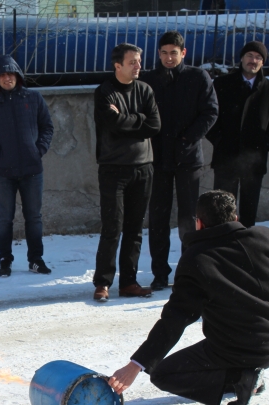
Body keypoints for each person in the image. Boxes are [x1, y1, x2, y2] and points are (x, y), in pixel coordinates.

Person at [107, 190, 269, 405]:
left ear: (199, 223)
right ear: (235, 218)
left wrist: (135, 365)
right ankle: (246, 378)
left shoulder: (198, 259)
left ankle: (241, 377)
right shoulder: (267, 237)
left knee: (163, 374)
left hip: (238, 348)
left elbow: (174, 319)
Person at [140, 31, 218, 291]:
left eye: (174, 52)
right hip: (157, 158)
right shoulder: (148, 79)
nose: (168, 57)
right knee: (158, 218)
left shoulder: (197, 77)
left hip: (188, 158)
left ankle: (189, 272)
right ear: (158, 53)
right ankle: (159, 273)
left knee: (190, 219)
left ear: (183, 53)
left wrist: (188, 139)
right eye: (164, 52)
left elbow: (210, 112)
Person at [92, 43, 161, 302]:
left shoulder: (145, 90)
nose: (138, 66)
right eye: (132, 62)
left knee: (135, 229)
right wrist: (138, 120)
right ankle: (103, 282)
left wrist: (128, 119)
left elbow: (154, 125)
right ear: (117, 65)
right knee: (112, 227)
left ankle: (129, 282)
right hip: (113, 170)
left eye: (139, 61)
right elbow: (112, 123)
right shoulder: (105, 92)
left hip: (143, 167)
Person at [0, 55, 54, 277]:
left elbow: (47, 127)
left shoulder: (33, 98)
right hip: (3, 172)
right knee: (4, 218)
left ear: (18, 76)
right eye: (2, 75)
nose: (7, 78)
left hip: (32, 170)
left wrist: (38, 151)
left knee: (34, 217)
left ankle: (36, 259)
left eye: (10, 73)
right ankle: (5, 260)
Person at [205, 41, 269, 228]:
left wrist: (264, 144)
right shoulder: (222, 84)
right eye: (250, 56)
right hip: (226, 157)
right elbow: (210, 116)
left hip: (254, 160)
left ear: (263, 62)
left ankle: (246, 245)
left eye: (258, 57)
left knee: (249, 211)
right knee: (222, 209)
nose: (253, 60)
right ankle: (223, 243)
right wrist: (220, 140)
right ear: (242, 58)